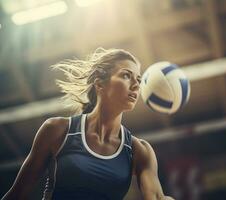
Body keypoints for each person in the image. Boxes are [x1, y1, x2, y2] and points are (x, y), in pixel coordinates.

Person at [2, 48, 174, 200]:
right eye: (126, 75)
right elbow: (17, 194)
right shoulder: (58, 130)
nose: (137, 85)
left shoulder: (139, 150)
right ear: (99, 83)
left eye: (139, 79)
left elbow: (157, 197)